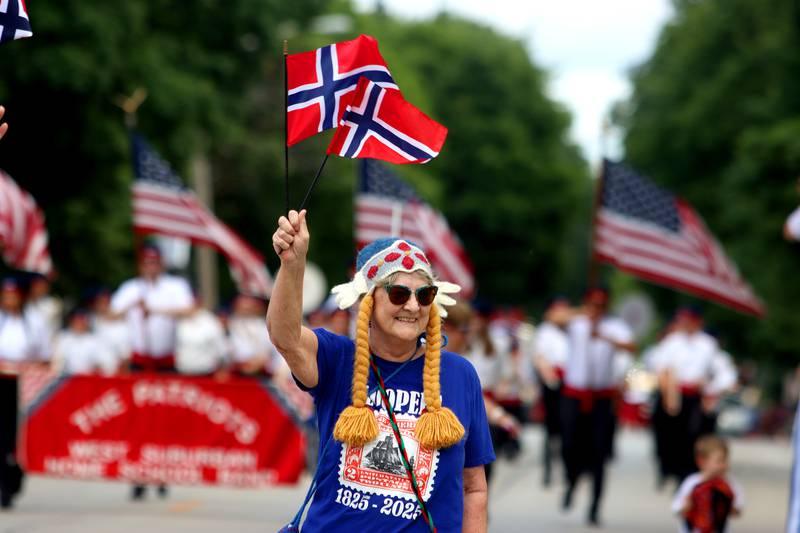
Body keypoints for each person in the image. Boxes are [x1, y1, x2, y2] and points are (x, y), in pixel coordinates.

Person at [268, 210, 494, 532]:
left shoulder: (460, 374)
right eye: (399, 293)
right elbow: (284, 336)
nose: (413, 306)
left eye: (424, 294)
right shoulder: (336, 358)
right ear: (368, 301)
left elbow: (474, 488)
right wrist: (293, 264)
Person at [109, 243, 193, 500]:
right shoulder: (132, 288)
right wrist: (134, 305)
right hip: (139, 361)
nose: (151, 267)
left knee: (164, 420)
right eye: (147, 262)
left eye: (155, 262)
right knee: (138, 421)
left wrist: (155, 310)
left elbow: (189, 309)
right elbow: (111, 313)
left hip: (165, 362)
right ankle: (138, 475)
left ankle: (162, 473)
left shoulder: (174, 287)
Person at [547, 286, 636, 526]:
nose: (597, 310)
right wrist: (582, 314)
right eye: (593, 304)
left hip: (601, 398)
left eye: (601, 305)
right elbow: (553, 318)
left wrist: (605, 337)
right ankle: (571, 479)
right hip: (574, 395)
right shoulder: (577, 323)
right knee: (568, 444)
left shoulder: (614, 327)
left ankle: (595, 506)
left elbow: (631, 346)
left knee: (599, 453)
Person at [653, 307, 738, 484]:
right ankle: (669, 469)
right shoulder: (672, 342)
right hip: (674, 394)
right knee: (669, 436)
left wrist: (711, 388)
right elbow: (662, 369)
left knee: (693, 437)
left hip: (695, 397)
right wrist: (669, 393)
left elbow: (724, 374)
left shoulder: (707, 344)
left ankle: (688, 474)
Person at [0, 277, 50, 509]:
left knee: (15, 436)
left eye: (13, 296)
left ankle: (14, 478)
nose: (9, 300)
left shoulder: (34, 321)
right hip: (2, 381)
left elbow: (45, 357)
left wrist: (31, 367)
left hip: (23, 384)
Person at [532, 296, 570, 487]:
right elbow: (540, 358)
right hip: (552, 383)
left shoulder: (571, 331)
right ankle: (548, 469)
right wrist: (550, 378)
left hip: (569, 383)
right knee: (550, 429)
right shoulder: (544, 332)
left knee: (567, 428)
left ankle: (567, 468)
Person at [671, 435, 743, 533]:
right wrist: (688, 504)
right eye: (720, 460)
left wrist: (726, 501)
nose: (725, 465)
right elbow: (678, 509)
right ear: (701, 461)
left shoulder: (729, 483)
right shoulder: (692, 483)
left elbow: (737, 511)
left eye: (726, 460)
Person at [51, 307, 117, 375]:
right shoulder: (62, 338)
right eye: (77, 320)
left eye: (82, 320)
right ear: (71, 321)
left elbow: (108, 364)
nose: (80, 323)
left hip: (89, 379)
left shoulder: (97, 340)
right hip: (66, 379)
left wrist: (99, 368)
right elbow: (55, 364)